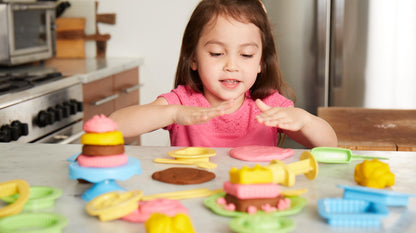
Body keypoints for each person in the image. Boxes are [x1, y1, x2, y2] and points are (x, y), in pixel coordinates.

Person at [110, 0, 337, 149]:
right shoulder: (183, 102)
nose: (231, 65)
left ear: (261, 62)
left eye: (246, 55)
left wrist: (305, 121)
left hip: (252, 203)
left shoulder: (267, 104)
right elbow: (113, 126)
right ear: (194, 59)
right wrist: (172, 113)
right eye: (217, 53)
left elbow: (330, 144)